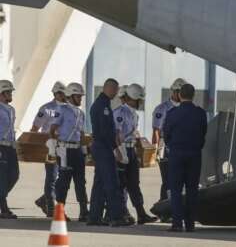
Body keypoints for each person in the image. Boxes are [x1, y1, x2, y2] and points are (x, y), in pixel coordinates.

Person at [88, 79, 132, 227]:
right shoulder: (103, 106)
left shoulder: (102, 104)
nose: (116, 93)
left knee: (99, 184)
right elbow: (106, 131)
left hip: (100, 147)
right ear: (109, 88)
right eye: (115, 90)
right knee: (112, 183)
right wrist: (116, 149)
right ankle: (116, 217)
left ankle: (94, 217)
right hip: (103, 147)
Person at [164, 83, 207, 232]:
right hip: (194, 154)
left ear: (180, 95)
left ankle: (177, 223)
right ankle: (190, 224)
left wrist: (173, 146)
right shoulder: (200, 113)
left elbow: (166, 135)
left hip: (176, 154)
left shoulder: (172, 113)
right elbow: (203, 134)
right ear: (193, 95)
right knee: (192, 189)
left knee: (175, 190)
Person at [114, 83, 157, 225]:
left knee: (134, 183)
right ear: (132, 98)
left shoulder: (134, 114)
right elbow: (117, 134)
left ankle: (141, 213)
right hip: (121, 150)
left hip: (131, 150)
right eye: (139, 99)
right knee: (120, 184)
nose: (141, 102)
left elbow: (133, 132)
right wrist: (120, 153)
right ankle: (121, 213)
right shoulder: (120, 112)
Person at [49, 83, 89, 222]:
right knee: (64, 181)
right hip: (64, 149)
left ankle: (84, 211)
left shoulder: (81, 113)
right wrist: (55, 146)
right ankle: (59, 212)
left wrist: (84, 150)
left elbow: (82, 133)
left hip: (77, 150)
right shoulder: (61, 109)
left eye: (81, 96)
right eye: (78, 96)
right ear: (71, 96)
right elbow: (52, 129)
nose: (81, 99)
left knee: (80, 181)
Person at [152, 78, 187, 222]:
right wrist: (157, 148)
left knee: (181, 181)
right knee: (167, 181)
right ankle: (165, 211)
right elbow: (156, 130)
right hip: (166, 149)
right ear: (175, 92)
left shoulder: (186, 107)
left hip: (182, 149)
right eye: (181, 92)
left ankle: (175, 210)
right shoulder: (163, 108)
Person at [32, 81, 66, 217]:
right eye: (64, 94)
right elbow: (35, 128)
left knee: (63, 177)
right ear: (57, 93)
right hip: (50, 147)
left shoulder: (68, 109)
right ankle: (50, 205)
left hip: (64, 147)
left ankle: (43, 199)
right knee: (52, 176)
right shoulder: (45, 109)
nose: (66, 96)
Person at [0, 80, 19, 219]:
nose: (10, 94)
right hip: (1, 146)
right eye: (8, 92)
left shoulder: (11, 109)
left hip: (10, 147)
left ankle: (2, 200)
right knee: (2, 177)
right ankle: (4, 208)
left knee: (14, 175)